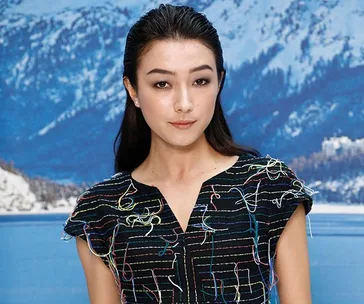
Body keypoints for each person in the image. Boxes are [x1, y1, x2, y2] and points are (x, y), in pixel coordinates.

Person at [62, 4, 316, 304]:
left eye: (200, 81)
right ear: (132, 90)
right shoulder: (100, 211)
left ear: (219, 82)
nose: (184, 103)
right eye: (162, 84)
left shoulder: (271, 188)